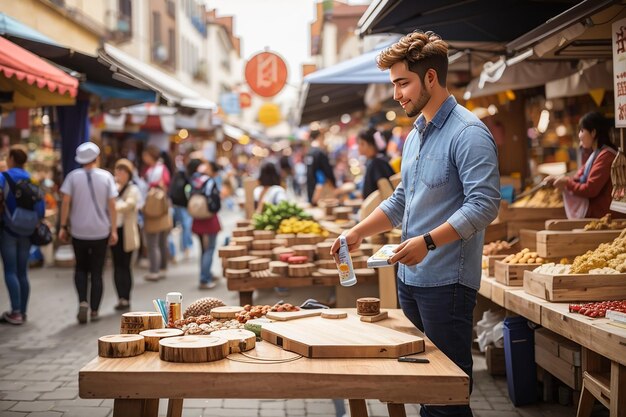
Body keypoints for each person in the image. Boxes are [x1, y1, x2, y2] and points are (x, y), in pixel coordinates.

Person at [330, 31, 500, 417]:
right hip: (409, 282)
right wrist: (357, 232)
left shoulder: (469, 133)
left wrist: (428, 242)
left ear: (430, 78)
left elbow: (485, 204)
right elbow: (403, 200)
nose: (396, 94)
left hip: (447, 285)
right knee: (424, 387)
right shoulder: (414, 135)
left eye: (402, 83)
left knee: (446, 398)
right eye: (393, 84)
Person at [59, 142, 118, 324]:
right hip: (100, 231)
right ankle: (94, 310)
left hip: (79, 231)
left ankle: (83, 301)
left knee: (81, 269)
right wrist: (113, 229)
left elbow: (66, 202)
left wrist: (63, 226)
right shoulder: (106, 177)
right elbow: (112, 206)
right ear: (96, 157)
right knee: (97, 272)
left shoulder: (72, 177)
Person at [0, 145, 45, 325]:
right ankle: (23, 312)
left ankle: (16, 312)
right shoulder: (32, 179)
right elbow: (41, 209)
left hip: (9, 230)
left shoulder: (3, 177)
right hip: (27, 231)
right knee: (22, 272)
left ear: (11, 158)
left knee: (10, 270)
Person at [545, 112, 621, 219]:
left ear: (593, 132)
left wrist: (567, 182)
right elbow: (578, 177)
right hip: (598, 215)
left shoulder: (606, 156)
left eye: (581, 130)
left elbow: (590, 189)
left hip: (606, 216)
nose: (579, 136)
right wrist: (557, 179)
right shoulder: (596, 155)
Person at [112, 159, 141, 311]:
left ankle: (126, 297)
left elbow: (129, 204)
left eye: (123, 171)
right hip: (114, 231)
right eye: (118, 170)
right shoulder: (113, 188)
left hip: (127, 232)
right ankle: (120, 297)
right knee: (116, 266)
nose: (119, 174)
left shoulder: (133, 189)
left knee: (125, 266)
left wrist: (112, 206)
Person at [189, 160, 222, 289]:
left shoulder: (195, 180)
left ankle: (206, 273)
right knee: (209, 249)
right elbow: (214, 201)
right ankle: (204, 279)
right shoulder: (209, 182)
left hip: (197, 219)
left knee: (203, 249)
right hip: (208, 220)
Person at [142, 144, 171, 281]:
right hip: (161, 209)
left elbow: (163, 184)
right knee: (161, 241)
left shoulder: (157, 170)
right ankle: (162, 268)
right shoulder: (157, 169)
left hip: (155, 208)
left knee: (155, 241)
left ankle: (155, 270)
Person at [357, 127, 395, 198]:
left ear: (371, 145)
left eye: (361, 143)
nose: (358, 147)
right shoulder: (375, 162)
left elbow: (387, 192)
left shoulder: (377, 164)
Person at [305, 130, 337, 205]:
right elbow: (327, 172)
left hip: (311, 189)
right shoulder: (320, 153)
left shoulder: (309, 152)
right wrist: (333, 183)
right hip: (320, 191)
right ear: (319, 137)